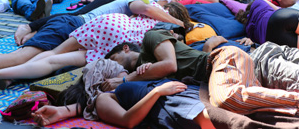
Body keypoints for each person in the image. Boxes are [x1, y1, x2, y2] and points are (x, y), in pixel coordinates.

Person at [101, 30, 299, 126]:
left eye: (113, 62)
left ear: (125, 48)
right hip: (246, 62)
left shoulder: (151, 40)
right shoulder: (143, 75)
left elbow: (170, 65)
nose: (116, 72)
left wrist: (128, 78)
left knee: (226, 98)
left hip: (233, 60)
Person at [0, 1, 188, 83]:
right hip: (121, 45)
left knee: (53, 55)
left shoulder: (156, 9)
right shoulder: (169, 30)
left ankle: (4, 72)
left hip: (108, 25)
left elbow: (141, 7)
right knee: (53, 63)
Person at [31, 59, 214, 129]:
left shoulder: (129, 82)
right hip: (177, 104)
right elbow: (128, 121)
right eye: (119, 72)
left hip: (191, 92)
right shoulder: (104, 97)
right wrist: (157, 92)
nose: (124, 74)